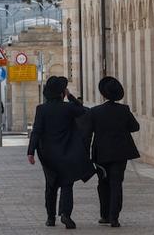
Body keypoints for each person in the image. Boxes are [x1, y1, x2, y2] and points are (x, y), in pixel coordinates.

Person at [27, 76, 94, 229]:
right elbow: (83, 111)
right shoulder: (68, 108)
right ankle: (65, 214)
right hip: (67, 152)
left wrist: (31, 152)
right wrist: (71, 97)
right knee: (67, 183)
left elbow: (36, 131)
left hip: (48, 154)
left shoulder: (41, 109)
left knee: (51, 185)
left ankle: (50, 218)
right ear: (62, 93)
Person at [88, 77, 140, 228]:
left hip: (101, 154)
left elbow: (87, 131)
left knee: (103, 183)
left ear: (103, 94)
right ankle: (114, 217)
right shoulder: (124, 110)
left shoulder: (95, 111)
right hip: (120, 153)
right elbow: (135, 127)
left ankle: (105, 215)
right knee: (116, 183)